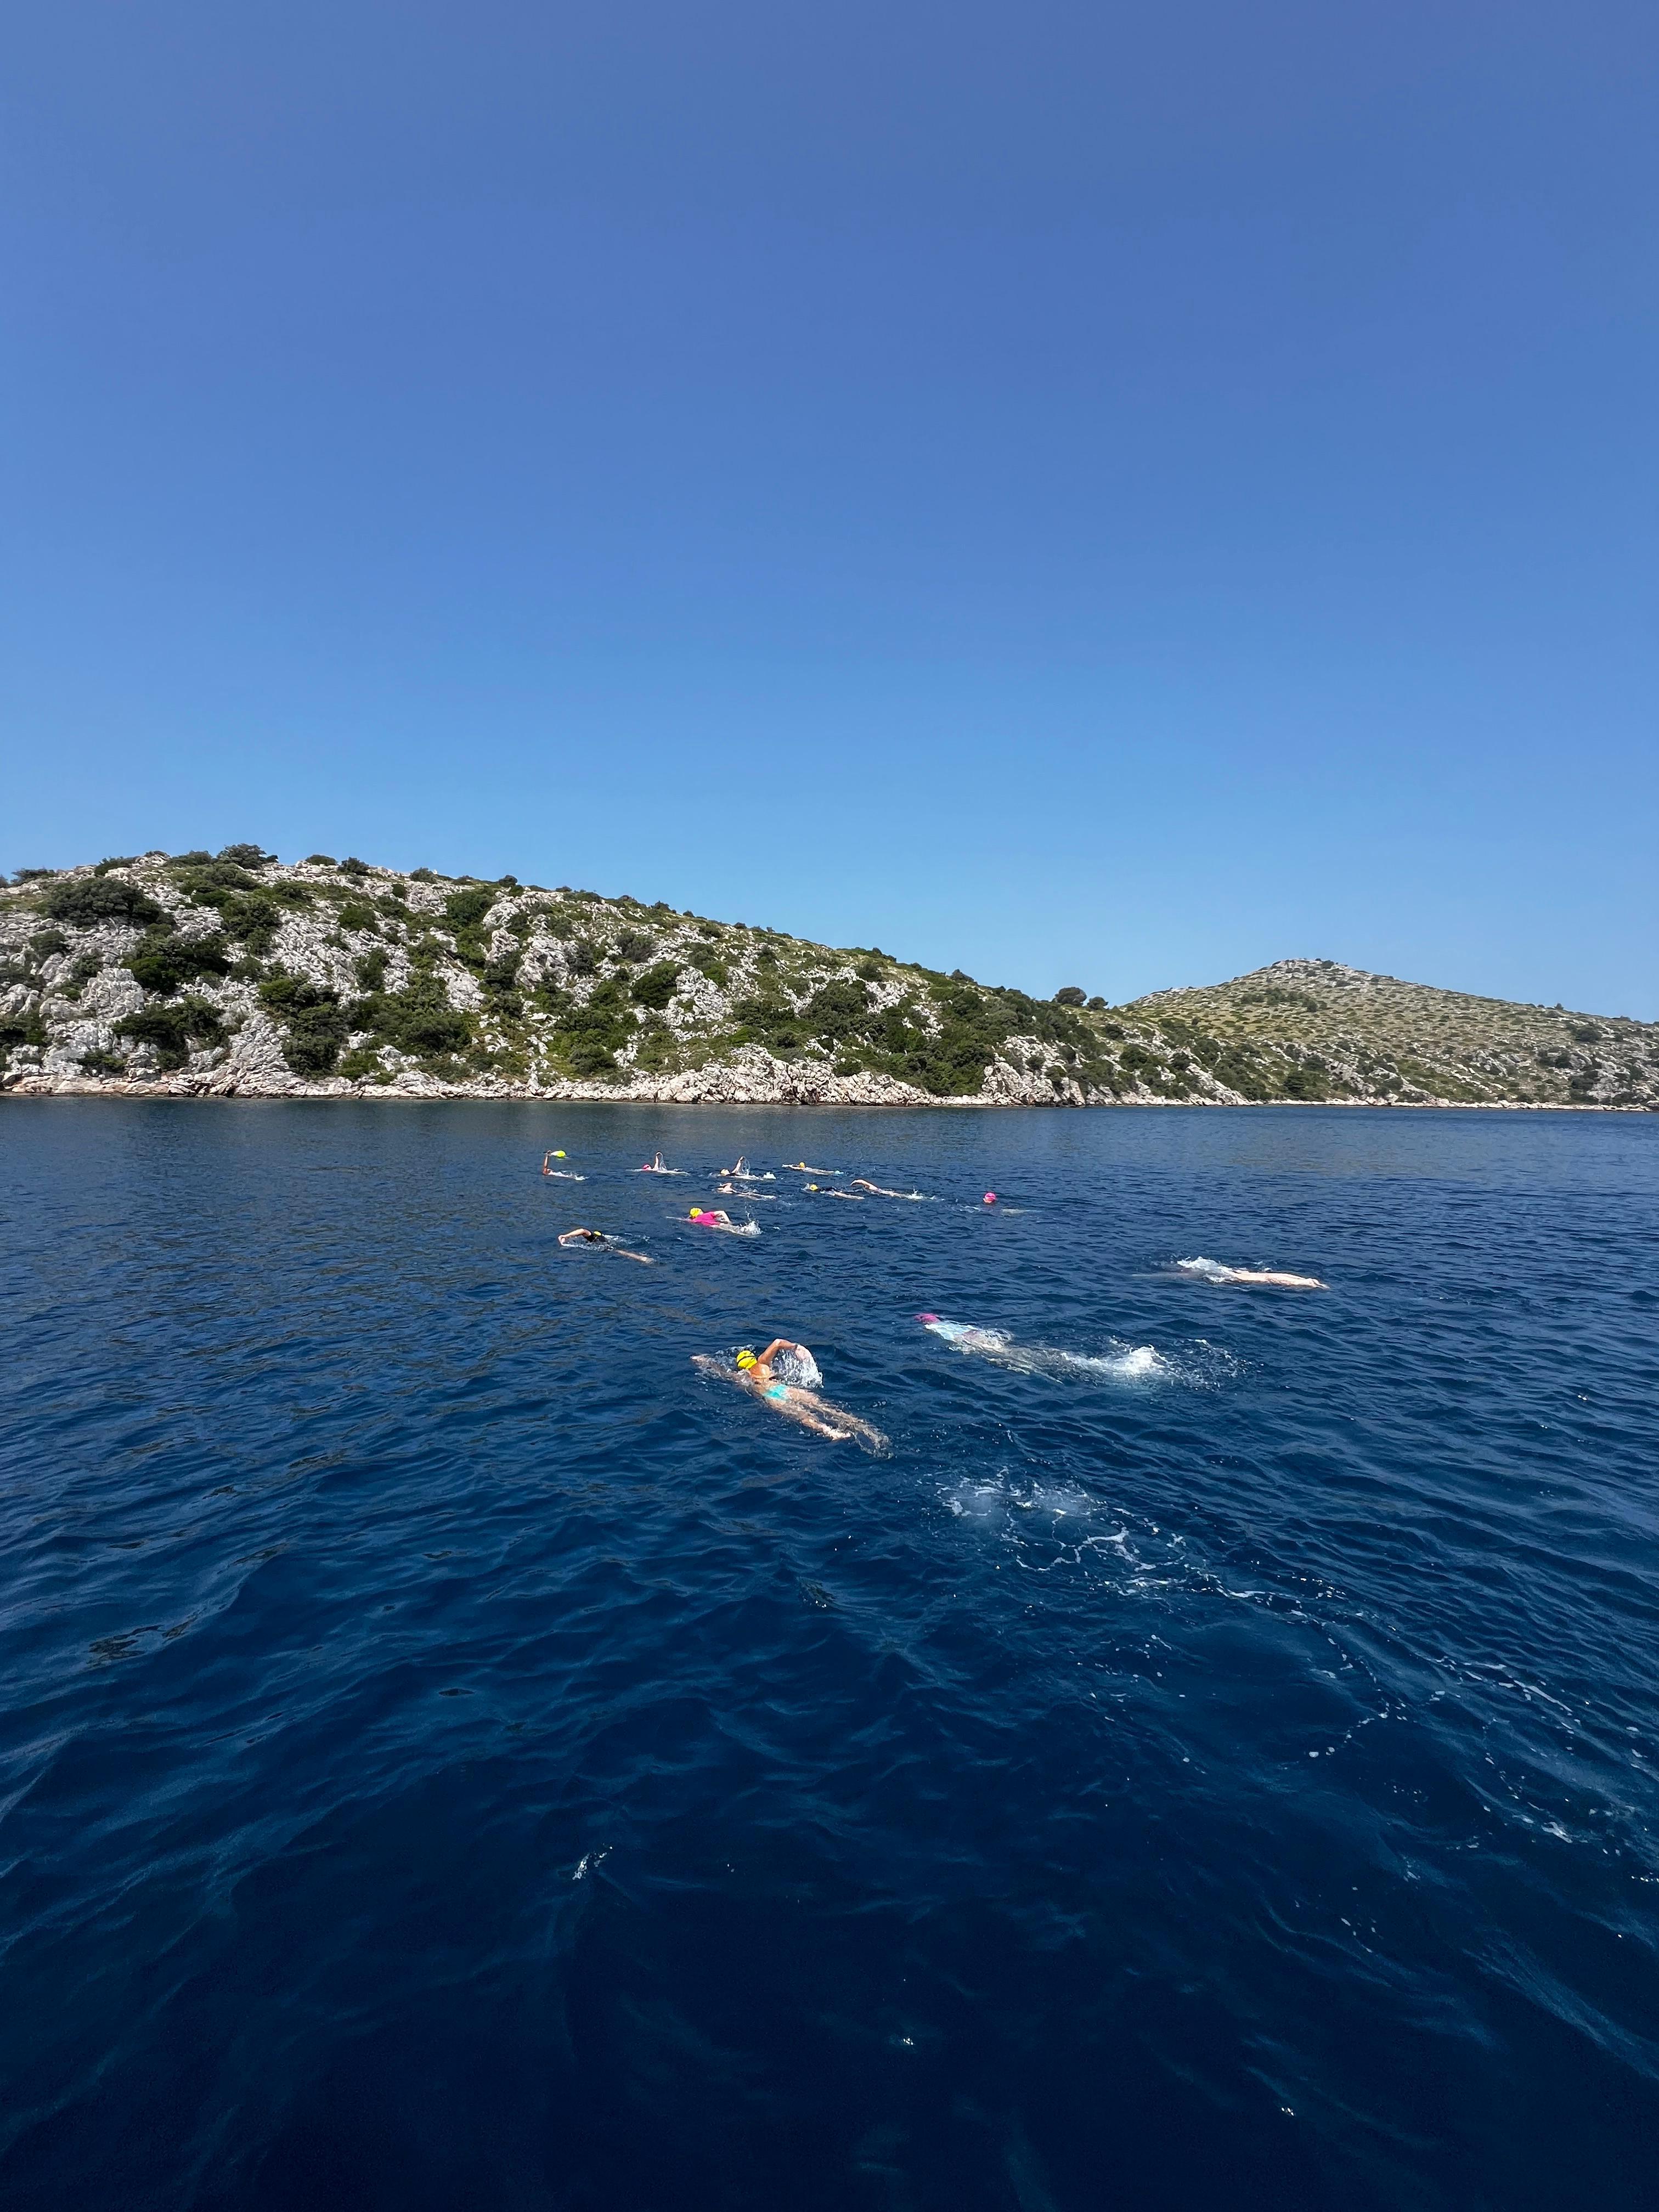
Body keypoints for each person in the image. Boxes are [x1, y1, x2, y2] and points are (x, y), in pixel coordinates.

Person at [691, 1338, 887, 1446]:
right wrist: (796, 1348)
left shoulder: (742, 1377)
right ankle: (865, 1428)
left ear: (741, 1367)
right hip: (784, 1388)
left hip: (770, 1396)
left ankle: (830, 1432)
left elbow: (719, 1370)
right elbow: (777, 1343)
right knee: (826, 1408)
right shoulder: (762, 1363)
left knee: (803, 1416)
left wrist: (702, 1360)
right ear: (753, 1358)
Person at [558, 1227, 652, 1263]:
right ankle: (641, 1257)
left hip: (602, 1247)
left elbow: (583, 1230)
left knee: (618, 1251)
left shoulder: (592, 1237)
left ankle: (641, 1258)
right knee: (619, 1250)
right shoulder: (605, 1237)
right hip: (607, 1244)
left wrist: (566, 1236)